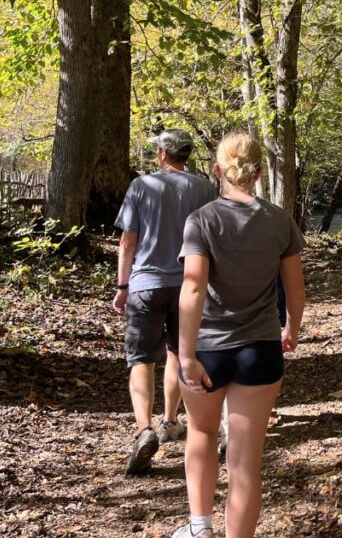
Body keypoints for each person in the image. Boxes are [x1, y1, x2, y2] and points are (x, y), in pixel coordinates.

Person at [172, 133, 305, 538]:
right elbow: (296, 289)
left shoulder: (203, 220)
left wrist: (185, 353)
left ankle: (200, 528)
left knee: (202, 433)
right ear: (258, 172)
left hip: (209, 349)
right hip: (260, 350)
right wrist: (291, 330)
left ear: (217, 171)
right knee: (246, 462)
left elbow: (193, 287)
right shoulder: (279, 221)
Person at [114, 129, 217, 475]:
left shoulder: (141, 186)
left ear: (162, 153)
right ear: (186, 154)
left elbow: (128, 241)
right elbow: (212, 239)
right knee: (179, 352)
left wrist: (122, 285)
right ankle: (170, 422)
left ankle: (144, 429)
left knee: (141, 359)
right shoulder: (205, 189)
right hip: (189, 284)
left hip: (145, 284)